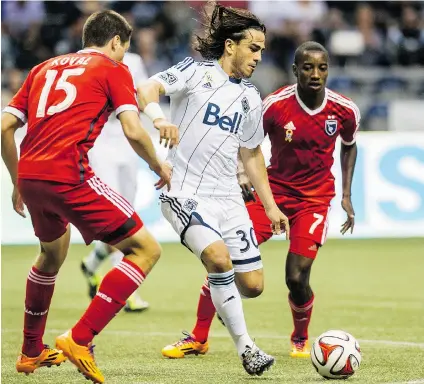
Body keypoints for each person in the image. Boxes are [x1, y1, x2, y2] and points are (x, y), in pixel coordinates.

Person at [1, 10, 175, 384]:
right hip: (70, 175)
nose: (122, 54)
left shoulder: (42, 68)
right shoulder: (114, 69)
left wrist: (18, 180)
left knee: (51, 255)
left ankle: (31, 351)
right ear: (116, 42)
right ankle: (80, 338)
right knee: (146, 249)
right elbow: (132, 128)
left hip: (32, 175)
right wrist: (159, 165)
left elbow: (5, 127)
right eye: (123, 48)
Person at [161, 41, 359, 359]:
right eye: (307, 67)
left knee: (296, 277)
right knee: (221, 258)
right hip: (274, 195)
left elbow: (350, 144)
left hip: (315, 201)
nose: (315, 74)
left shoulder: (344, 109)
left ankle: (299, 336)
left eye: (322, 68)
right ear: (295, 70)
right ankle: (198, 337)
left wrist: (347, 195)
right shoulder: (274, 105)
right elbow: (245, 143)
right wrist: (242, 176)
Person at [138, 3, 289, 376]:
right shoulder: (196, 72)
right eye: (253, 48)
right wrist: (159, 119)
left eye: (262, 51)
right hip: (185, 192)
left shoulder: (251, 98)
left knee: (252, 286)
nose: (258, 56)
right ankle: (248, 349)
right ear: (230, 46)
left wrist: (269, 206)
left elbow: (252, 154)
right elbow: (147, 88)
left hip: (229, 200)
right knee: (219, 261)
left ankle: (226, 304)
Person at [80, 51, 150, 313]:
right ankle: (127, 292)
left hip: (128, 142)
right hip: (100, 144)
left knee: (128, 212)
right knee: (120, 218)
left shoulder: (133, 60)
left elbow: (142, 95)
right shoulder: (88, 61)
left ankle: (91, 263)